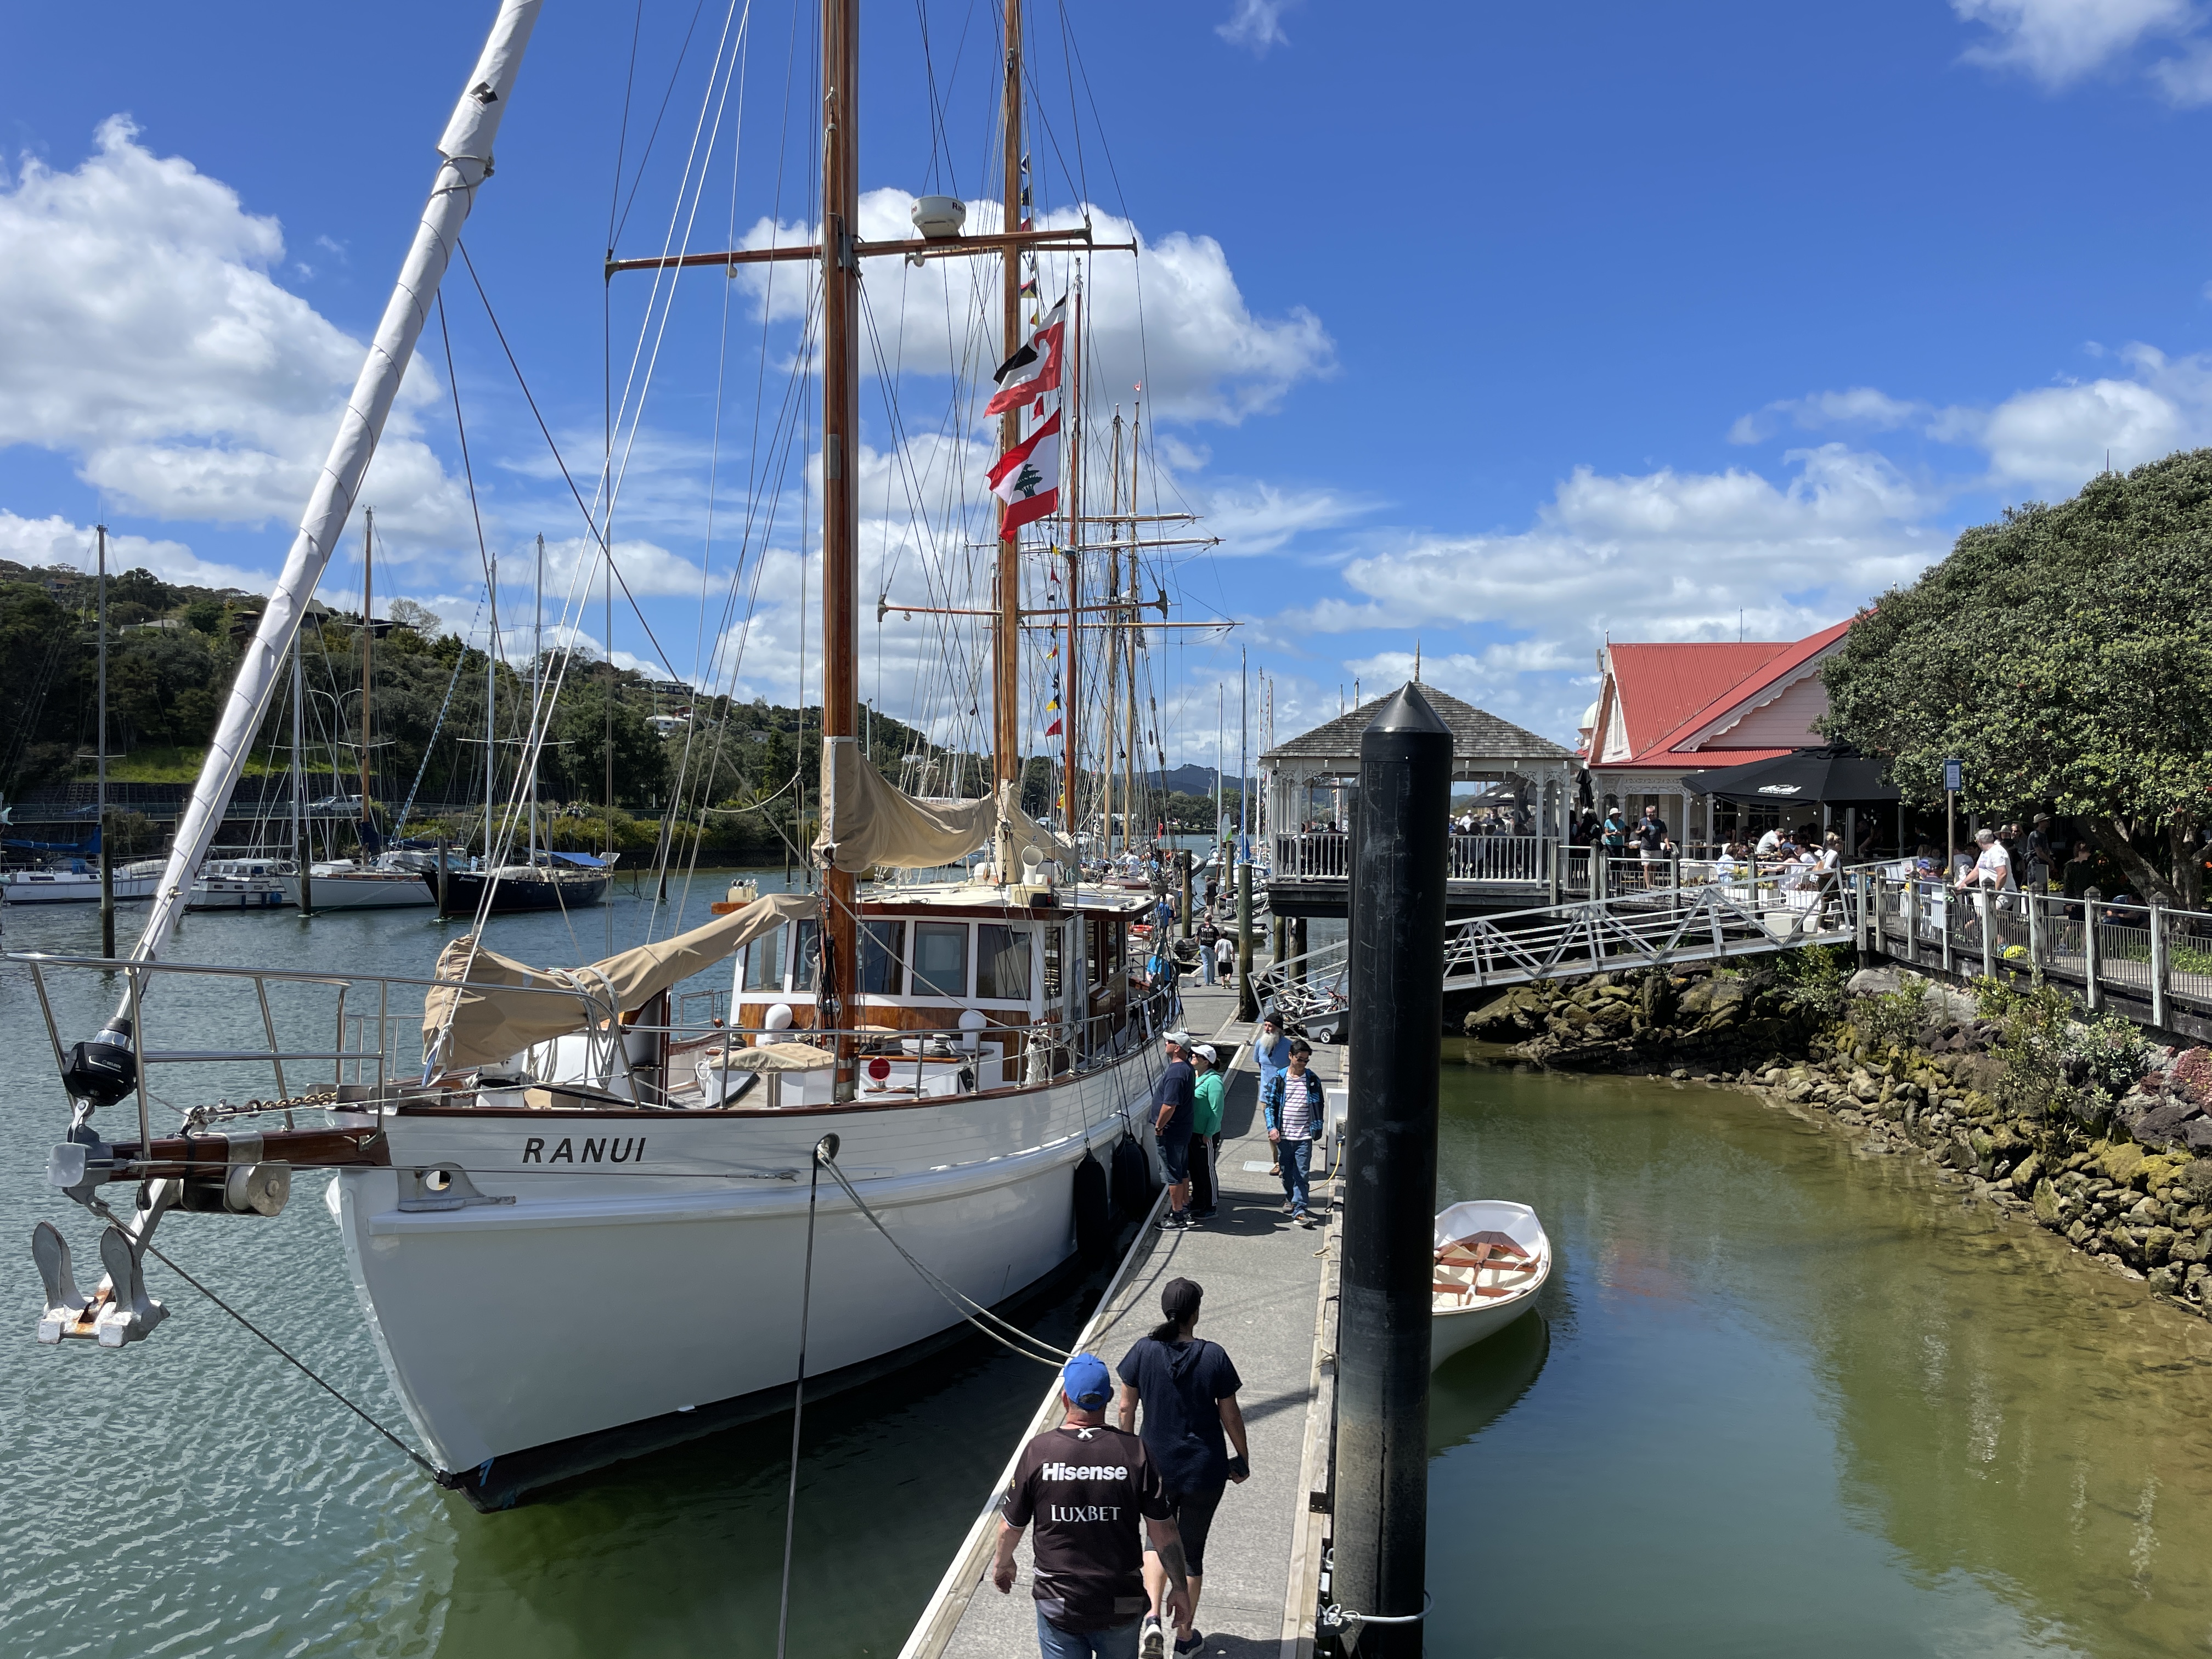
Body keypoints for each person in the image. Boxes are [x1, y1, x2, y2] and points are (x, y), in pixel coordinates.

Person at [992, 1352, 1192, 1659]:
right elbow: (1164, 1531)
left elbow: (1010, 1526)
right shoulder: (1136, 1452)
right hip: (1121, 1599)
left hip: (1058, 1601)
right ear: (1108, 1397)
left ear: (1065, 1398)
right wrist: (1179, 1587)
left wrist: (1003, 1563)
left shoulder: (1039, 1451)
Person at [1117, 1280, 1250, 1658]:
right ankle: (1185, 1638)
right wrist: (1242, 1458)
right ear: (1196, 1313)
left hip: (1154, 1466)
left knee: (1156, 1540)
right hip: (1204, 1470)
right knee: (1191, 1552)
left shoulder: (1142, 1351)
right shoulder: (1214, 1356)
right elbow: (1230, 1415)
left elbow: (1125, 1408)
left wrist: (1129, 1454)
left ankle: (1152, 1618)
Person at [1261, 1039, 1327, 1227]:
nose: (1303, 1063)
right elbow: (1270, 1106)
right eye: (1300, 1059)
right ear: (1291, 1056)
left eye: (1306, 1060)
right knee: (1287, 1172)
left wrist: (1317, 1126)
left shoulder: (1312, 1080)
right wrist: (1272, 1128)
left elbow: (1319, 1105)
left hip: (1304, 1136)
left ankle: (1300, 1208)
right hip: (1284, 1136)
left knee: (1302, 1174)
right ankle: (1290, 1198)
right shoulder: (1279, 1079)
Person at [1152, 1032, 1197, 1230]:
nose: (1166, 1043)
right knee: (1181, 1170)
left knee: (1172, 1174)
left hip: (1170, 1132)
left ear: (1177, 1048)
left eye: (1169, 1042)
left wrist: (1159, 1126)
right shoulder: (1187, 1068)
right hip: (1183, 1130)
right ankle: (1184, 1207)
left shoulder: (1176, 1073)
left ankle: (1177, 1216)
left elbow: (1170, 1105)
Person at [1188, 1045, 1224, 1220]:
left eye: (1197, 1055)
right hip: (1193, 1132)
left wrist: (1208, 1133)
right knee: (1195, 1169)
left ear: (1206, 1062)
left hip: (1205, 1134)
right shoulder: (1197, 1077)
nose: (1193, 1056)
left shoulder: (1214, 1081)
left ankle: (1211, 1205)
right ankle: (1198, 1201)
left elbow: (1217, 1110)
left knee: (1207, 1170)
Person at [1633, 804, 1671, 885]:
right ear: (1646, 813)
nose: (1651, 816)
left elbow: (1664, 835)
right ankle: (1648, 886)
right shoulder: (1642, 821)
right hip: (1645, 847)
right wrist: (1641, 830)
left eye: (1652, 814)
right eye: (1649, 814)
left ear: (1655, 813)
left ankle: (1652, 884)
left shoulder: (1660, 822)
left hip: (1656, 847)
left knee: (1654, 867)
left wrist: (1668, 845)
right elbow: (1637, 832)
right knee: (1646, 866)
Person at [1196, 916, 1220, 985]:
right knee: (1211, 964)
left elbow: (1197, 938)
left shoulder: (1201, 927)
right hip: (1212, 948)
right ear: (1211, 920)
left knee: (1205, 964)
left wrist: (1197, 947)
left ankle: (1207, 981)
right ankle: (1212, 979)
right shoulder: (1213, 928)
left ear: (1205, 919)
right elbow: (1218, 938)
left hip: (1203, 947)